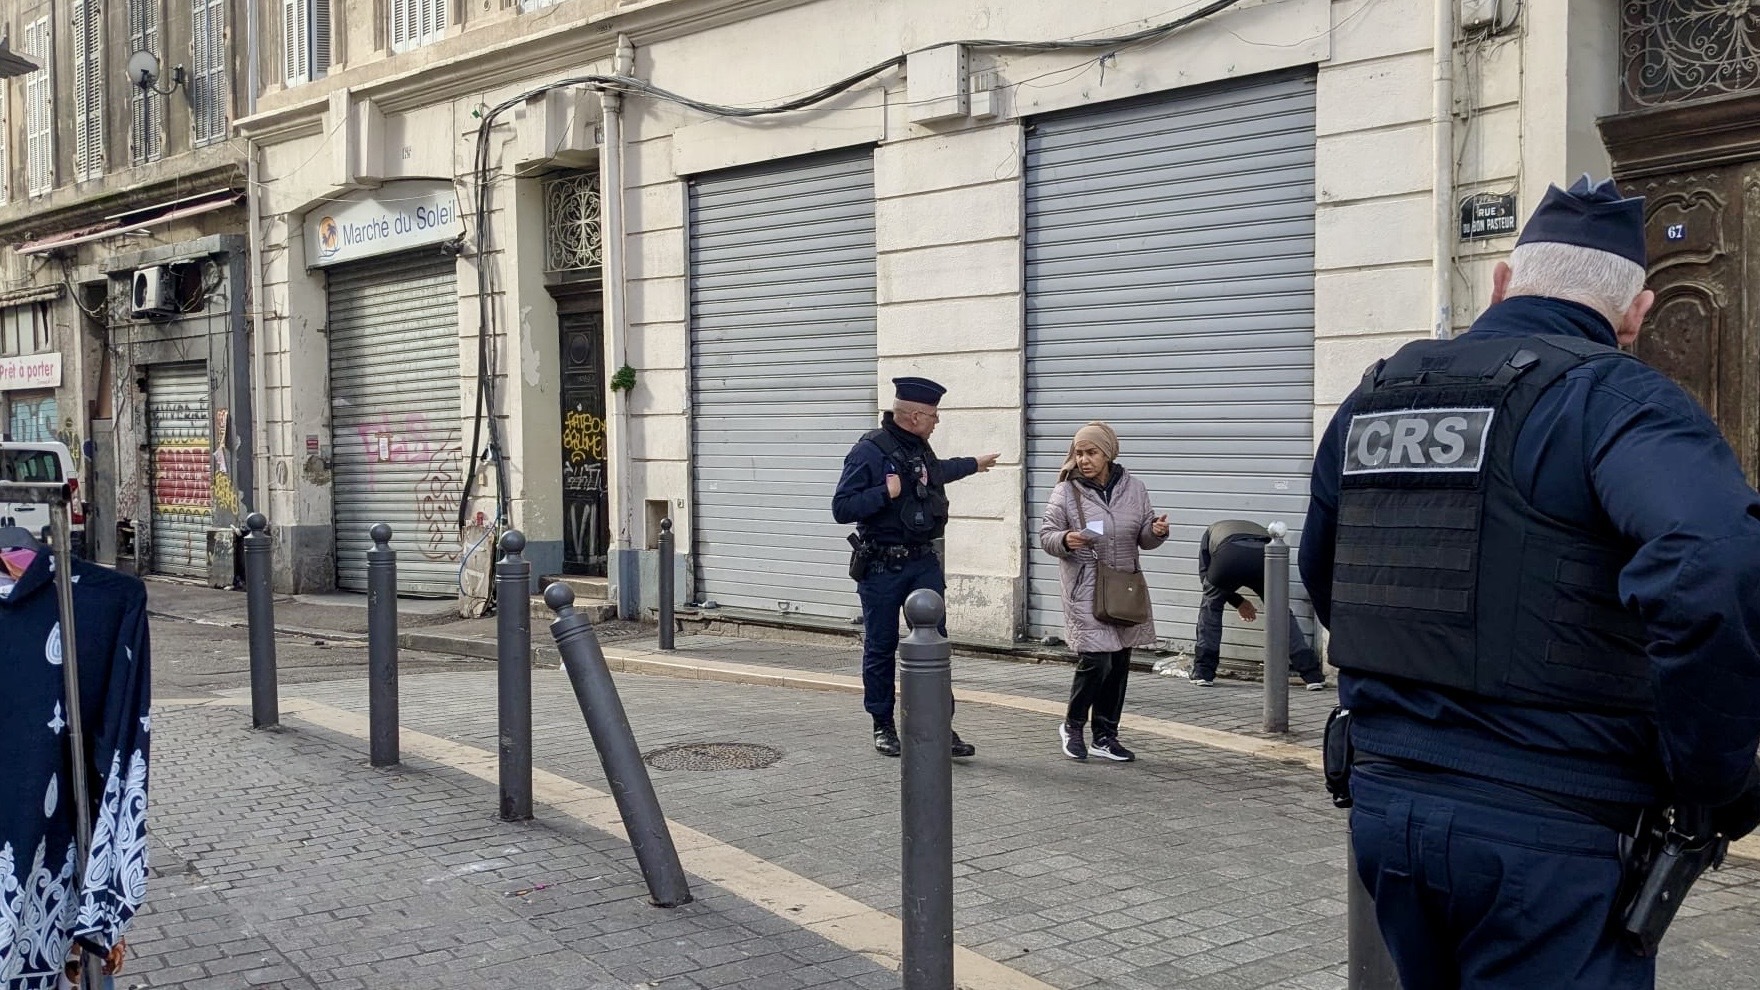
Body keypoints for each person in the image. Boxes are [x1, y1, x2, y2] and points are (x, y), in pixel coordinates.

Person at [1299, 175, 1760, 989]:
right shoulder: (1617, 399)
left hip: (1387, 813)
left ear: (1503, 281)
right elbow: (1712, 563)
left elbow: (1323, 570)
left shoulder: (1377, 394)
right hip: (1548, 842)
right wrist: (1713, 781)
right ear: (1636, 315)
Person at [832, 377, 999, 758]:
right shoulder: (869, 451)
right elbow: (841, 508)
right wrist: (882, 494)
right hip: (882, 565)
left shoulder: (917, 446)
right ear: (915, 415)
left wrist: (973, 464)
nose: (937, 422)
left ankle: (939, 724)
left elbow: (934, 472)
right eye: (934, 415)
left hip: (921, 560)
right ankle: (883, 725)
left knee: (935, 644)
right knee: (881, 646)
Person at [1038, 422, 1168, 762]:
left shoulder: (1135, 489)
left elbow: (1144, 537)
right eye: (1079, 453)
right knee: (1097, 661)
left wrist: (1156, 531)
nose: (1083, 460)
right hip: (1085, 586)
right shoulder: (1066, 492)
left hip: (1123, 585)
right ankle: (1073, 725)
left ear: (1108, 454)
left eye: (1091, 453)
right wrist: (1066, 539)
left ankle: (1106, 736)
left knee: (1120, 661)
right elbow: (1047, 535)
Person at [1190, 520, 1327, 690]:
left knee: (1211, 607)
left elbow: (1206, 579)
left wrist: (1237, 601)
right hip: (1264, 556)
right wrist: (1239, 601)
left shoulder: (1210, 532)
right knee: (1280, 613)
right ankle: (1312, 676)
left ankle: (1203, 673)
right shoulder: (1257, 529)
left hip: (1229, 556)